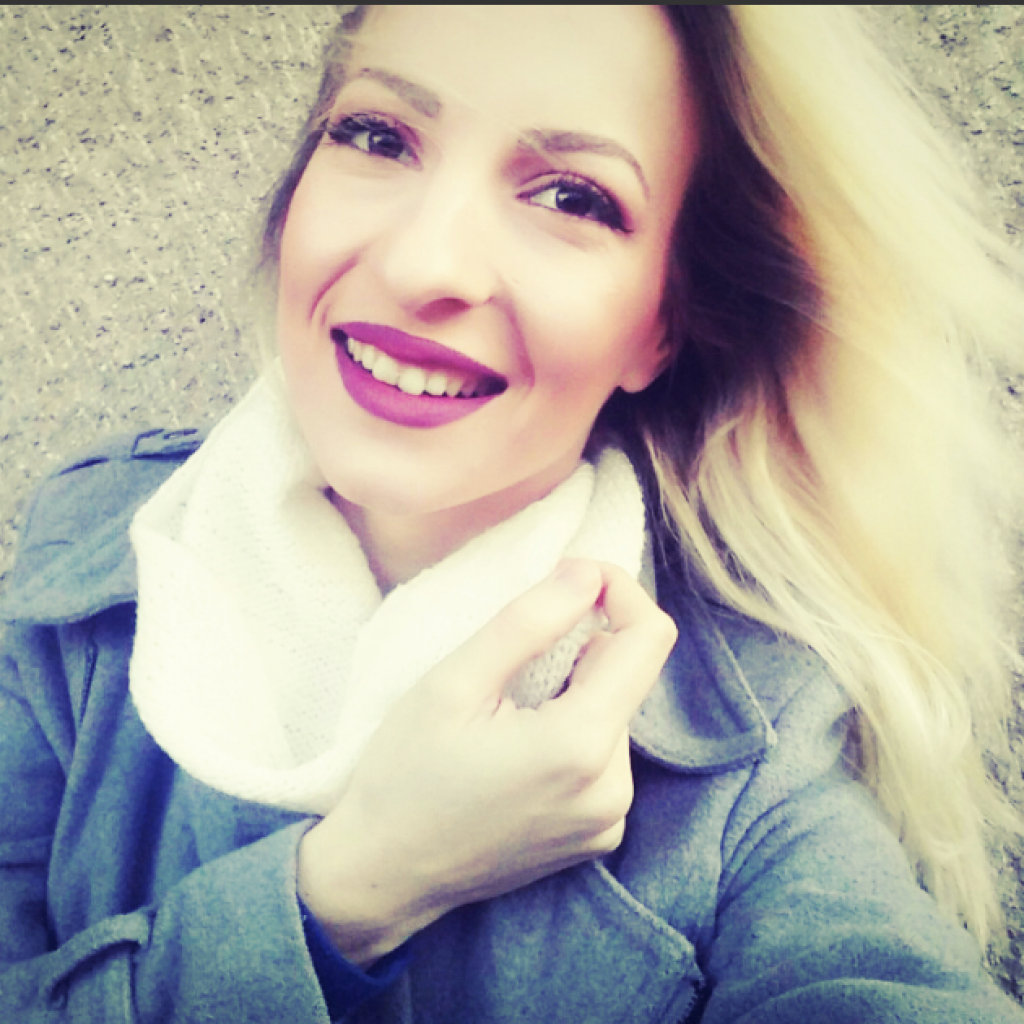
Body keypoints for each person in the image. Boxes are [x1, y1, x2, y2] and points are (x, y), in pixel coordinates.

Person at [1, 4, 1023, 1022]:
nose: (422, 266)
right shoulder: (82, 549)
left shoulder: (748, 747)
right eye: (378, 136)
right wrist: (357, 888)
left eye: (573, 197)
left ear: (662, 326)